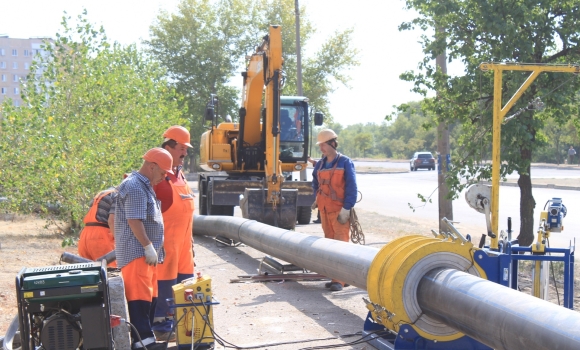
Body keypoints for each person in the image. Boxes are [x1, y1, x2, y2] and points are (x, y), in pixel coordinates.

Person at [115, 147, 174, 350]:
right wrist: (148, 246)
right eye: (163, 172)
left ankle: (145, 340)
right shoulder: (135, 186)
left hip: (146, 255)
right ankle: (142, 342)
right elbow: (134, 220)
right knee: (139, 298)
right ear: (152, 166)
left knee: (149, 297)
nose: (164, 176)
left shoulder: (145, 185)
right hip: (137, 252)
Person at [151, 126, 196, 340]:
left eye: (186, 149)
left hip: (184, 246)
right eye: (181, 148)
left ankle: (182, 324)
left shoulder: (181, 175)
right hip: (165, 244)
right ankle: (161, 323)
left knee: (186, 284)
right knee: (164, 283)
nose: (185, 153)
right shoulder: (160, 177)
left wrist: (192, 242)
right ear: (168, 147)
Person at [311, 129, 357, 291]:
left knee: (340, 245)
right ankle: (336, 277)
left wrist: (347, 208)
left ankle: (339, 280)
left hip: (339, 212)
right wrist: (316, 198)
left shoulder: (345, 162)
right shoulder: (321, 164)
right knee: (329, 244)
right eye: (320, 145)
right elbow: (315, 182)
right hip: (324, 210)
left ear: (332, 144)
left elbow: (352, 187)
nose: (321, 148)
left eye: (323, 145)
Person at [78, 187, 117, 267]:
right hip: (101, 237)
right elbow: (111, 221)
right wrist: (121, 243)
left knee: (89, 273)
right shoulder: (118, 195)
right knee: (111, 273)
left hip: (85, 236)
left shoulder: (101, 194)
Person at [308, 157, 321, 224]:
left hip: (320, 188)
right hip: (320, 187)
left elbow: (313, 161)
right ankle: (320, 218)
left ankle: (320, 218)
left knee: (320, 203)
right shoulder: (322, 163)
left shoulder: (320, 163)